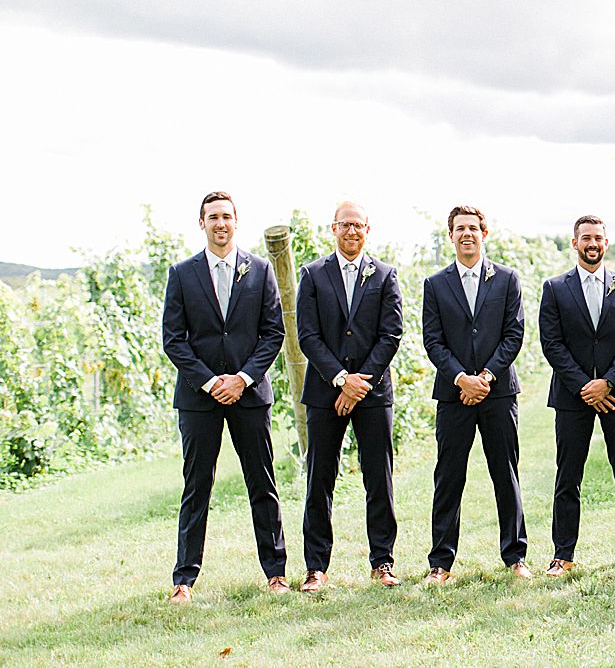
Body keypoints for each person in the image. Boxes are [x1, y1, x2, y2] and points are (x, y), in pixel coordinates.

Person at [161, 191, 287, 603]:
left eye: (227, 217)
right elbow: (174, 340)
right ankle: (184, 579)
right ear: (202, 224)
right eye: (213, 217)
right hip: (199, 398)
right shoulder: (182, 274)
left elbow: (273, 333)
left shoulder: (261, 270)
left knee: (262, 483)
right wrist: (211, 381)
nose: (220, 224)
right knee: (197, 486)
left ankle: (276, 572)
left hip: (249, 396)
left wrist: (243, 379)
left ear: (236, 222)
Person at [296, 201, 404, 591]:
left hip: (373, 394)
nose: (352, 231)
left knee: (379, 478)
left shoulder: (386, 275)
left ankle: (383, 562)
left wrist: (361, 383)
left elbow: (390, 334)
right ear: (333, 229)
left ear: (368, 229)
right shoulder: (312, 274)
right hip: (326, 392)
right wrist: (342, 380)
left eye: (358, 225)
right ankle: (316, 568)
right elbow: (308, 335)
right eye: (345, 225)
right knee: (320, 479)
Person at [421, 206, 530, 583]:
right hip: (454, 395)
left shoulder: (507, 279)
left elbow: (513, 334)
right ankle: (441, 562)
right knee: (449, 476)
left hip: (497, 392)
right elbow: (432, 341)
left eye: (473, 228)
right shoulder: (435, 284)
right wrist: (460, 379)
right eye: (459, 229)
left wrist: (484, 376)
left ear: (485, 233)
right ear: (450, 235)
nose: (466, 234)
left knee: (506, 472)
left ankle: (516, 556)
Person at [539, 215, 615, 575]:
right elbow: (551, 343)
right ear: (574, 243)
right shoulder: (555, 288)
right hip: (573, 397)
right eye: (585, 237)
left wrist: (608, 382)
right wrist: (584, 386)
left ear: (607, 242)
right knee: (568, 476)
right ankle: (563, 555)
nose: (592, 243)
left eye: (598, 238)